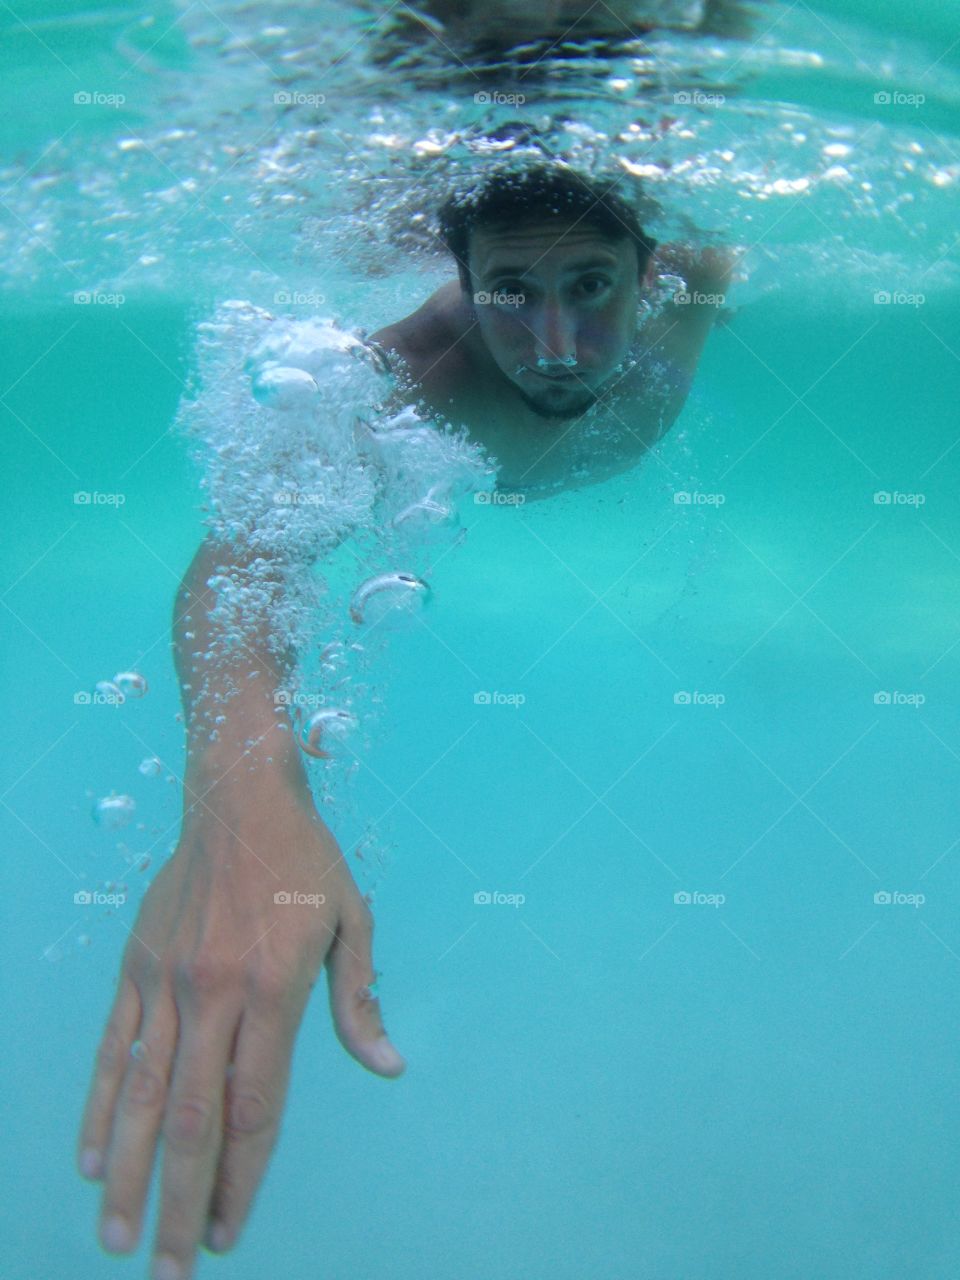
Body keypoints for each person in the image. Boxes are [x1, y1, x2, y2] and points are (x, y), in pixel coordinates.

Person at [76, 162, 734, 1280]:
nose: (561, 339)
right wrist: (242, 794)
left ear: (650, 273)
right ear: (463, 286)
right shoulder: (407, 380)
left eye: (591, 283)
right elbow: (242, 560)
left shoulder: (702, 275)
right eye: (511, 293)